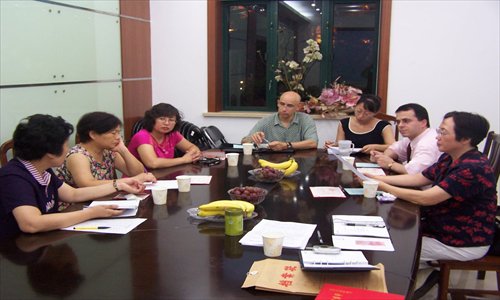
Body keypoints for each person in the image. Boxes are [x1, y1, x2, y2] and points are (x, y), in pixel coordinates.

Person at [371, 111, 497, 265]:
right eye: (439, 130)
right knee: (387, 233)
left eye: (443, 132)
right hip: (440, 227)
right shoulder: (450, 156)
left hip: (462, 241)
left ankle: (397, 285)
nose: (437, 136)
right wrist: (377, 178)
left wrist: (383, 186)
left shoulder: (472, 167)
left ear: (465, 139)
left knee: (389, 248)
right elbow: (419, 178)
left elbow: (426, 198)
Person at [0, 114, 145, 239]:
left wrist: (119, 184)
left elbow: (73, 194)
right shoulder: (14, 177)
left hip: (42, 240)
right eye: (65, 145)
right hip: (15, 250)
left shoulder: (42, 170)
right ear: (50, 152)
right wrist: (90, 213)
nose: (68, 149)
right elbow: (31, 224)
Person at [57, 112, 155, 187]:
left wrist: (123, 150)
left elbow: (138, 173)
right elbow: (87, 184)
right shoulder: (78, 155)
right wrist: (127, 181)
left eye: (118, 132)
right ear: (93, 134)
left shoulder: (108, 151)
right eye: (113, 133)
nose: (118, 137)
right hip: (75, 207)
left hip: (102, 201)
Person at [370, 103, 442, 174]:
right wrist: (382, 157)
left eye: (406, 121)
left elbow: (414, 173)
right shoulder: (413, 137)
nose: (400, 125)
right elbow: (394, 149)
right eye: (398, 122)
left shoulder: (428, 143)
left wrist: (390, 164)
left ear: (423, 123)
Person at [128, 103, 201, 169]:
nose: (166, 123)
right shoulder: (142, 136)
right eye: (162, 119)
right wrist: (183, 160)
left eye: (171, 120)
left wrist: (194, 154)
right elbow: (152, 163)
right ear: (152, 120)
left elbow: (192, 147)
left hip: (164, 177)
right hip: (139, 180)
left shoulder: (173, 134)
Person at [241, 91, 318, 150]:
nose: (284, 109)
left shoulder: (305, 119)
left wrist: (286, 145)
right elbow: (244, 142)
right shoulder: (266, 120)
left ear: (298, 107)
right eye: (282, 104)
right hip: (271, 162)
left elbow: (313, 143)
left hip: (298, 162)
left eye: (289, 106)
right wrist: (252, 138)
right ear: (278, 103)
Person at [324, 94, 395, 153]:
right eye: (358, 111)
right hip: (349, 160)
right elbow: (341, 145)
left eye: (366, 114)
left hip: (373, 161)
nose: (360, 116)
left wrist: (376, 147)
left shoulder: (383, 126)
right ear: (355, 106)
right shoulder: (344, 123)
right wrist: (332, 145)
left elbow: (393, 146)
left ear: (375, 113)